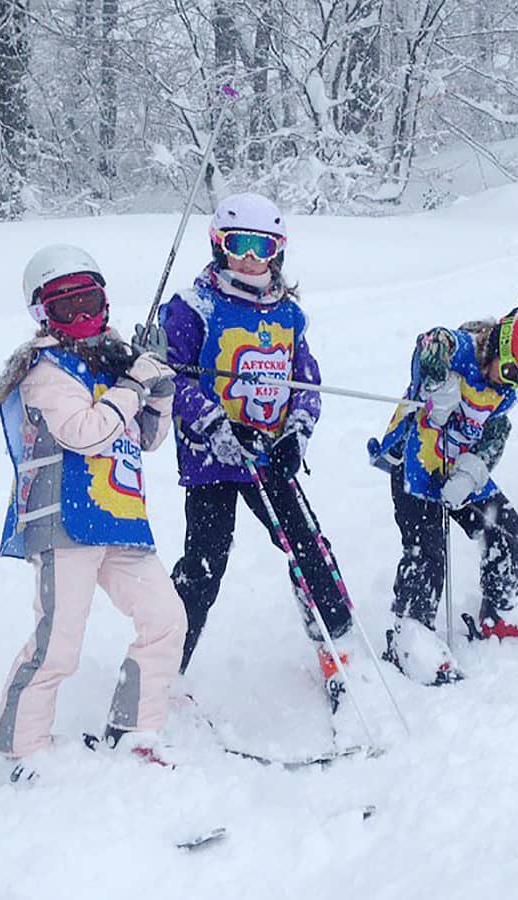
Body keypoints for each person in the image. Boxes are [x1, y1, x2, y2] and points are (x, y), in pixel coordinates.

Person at [0, 244, 186, 779]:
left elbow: (146, 438)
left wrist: (156, 391)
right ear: (42, 314)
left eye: (89, 301)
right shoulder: (44, 371)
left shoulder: (110, 363)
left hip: (117, 517)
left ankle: (135, 727)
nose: (80, 317)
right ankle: (19, 750)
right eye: (64, 306)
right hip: (64, 520)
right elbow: (85, 433)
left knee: (165, 618)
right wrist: (132, 385)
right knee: (58, 643)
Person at [157, 193, 361, 718]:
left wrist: (297, 431)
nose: (251, 258)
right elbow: (171, 379)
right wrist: (216, 427)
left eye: (262, 247)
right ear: (219, 246)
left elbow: (305, 378)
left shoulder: (288, 313)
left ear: (279, 252)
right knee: (205, 564)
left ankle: (336, 644)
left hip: (269, 455)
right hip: (213, 461)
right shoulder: (194, 306)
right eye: (239, 245)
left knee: (307, 546)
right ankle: (161, 670)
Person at [368, 306, 518, 685]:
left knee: (505, 526)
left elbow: (495, 434)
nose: (511, 385)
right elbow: (429, 344)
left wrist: (472, 471)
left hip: (459, 468)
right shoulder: (459, 349)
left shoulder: (503, 393)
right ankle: (412, 633)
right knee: (426, 548)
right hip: (416, 462)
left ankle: (501, 608)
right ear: (499, 345)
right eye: (510, 372)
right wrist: (435, 382)